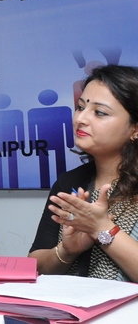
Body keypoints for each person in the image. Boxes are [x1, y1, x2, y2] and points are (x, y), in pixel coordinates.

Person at [29, 64, 138, 281]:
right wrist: (67, 251)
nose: (80, 119)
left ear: (135, 129)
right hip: (70, 301)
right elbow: (35, 264)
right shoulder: (70, 182)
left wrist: (101, 229)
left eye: (100, 112)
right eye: (80, 107)